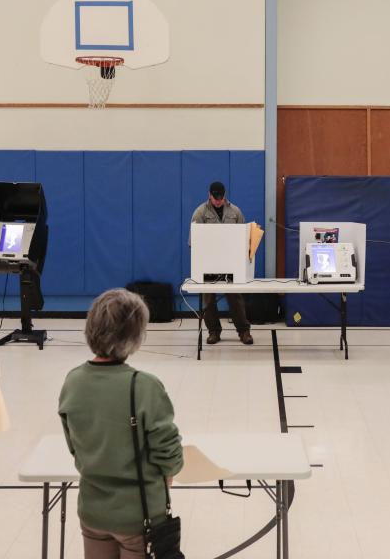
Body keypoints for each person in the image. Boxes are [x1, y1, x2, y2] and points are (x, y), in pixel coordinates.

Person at [59, 289, 184, 559]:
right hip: (139, 517)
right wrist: (169, 473)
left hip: (92, 511)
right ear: (135, 336)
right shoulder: (145, 386)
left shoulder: (73, 381)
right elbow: (168, 453)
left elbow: (74, 445)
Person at [190, 180, 254, 345]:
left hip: (230, 263)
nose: (218, 200)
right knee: (209, 299)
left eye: (221, 198)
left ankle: (244, 331)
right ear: (209, 195)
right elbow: (193, 242)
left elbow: (244, 239)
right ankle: (214, 331)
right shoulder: (200, 213)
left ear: (225, 196)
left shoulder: (235, 212)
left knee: (235, 297)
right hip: (208, 264)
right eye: (215, 198)